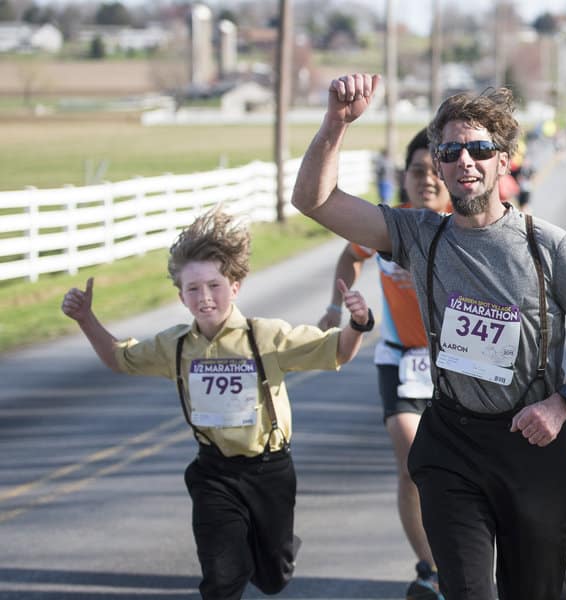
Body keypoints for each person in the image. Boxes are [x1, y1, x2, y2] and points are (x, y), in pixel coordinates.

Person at [291, 73, 566, 600]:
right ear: (440, 165)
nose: (464, 161)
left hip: (531, 441)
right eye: (450, 151)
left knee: (535, 590)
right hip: (451, 441)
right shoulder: (417, 236)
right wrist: (336, 123)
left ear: (502, 159)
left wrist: (563, 405)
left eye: (478, 149)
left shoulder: (550, 249)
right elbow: (314, 201)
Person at [61, 207, 374, 600]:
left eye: (214, 285)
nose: (205, 297)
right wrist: (86, 319)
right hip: (214, 473)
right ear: (181, 296)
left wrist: (358, 323)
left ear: (236, 286)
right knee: (222, 574)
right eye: (193, 289)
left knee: (273, 577)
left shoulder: (266, 337)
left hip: (269, 470)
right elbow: (120, 358)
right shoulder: (175, 346)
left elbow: (337, 352)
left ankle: (275, 549)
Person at [316, 129, 450, 598]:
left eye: (436, 171)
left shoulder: (465, 226)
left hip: (459, 366)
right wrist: (336, 308)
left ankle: (467, 558)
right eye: (418, 171)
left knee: (463, 469)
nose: (428, 181)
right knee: (414, 462)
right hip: (402, 359)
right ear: (404, 177)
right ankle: (431, 569)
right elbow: (349, 254)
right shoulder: (386, 226)